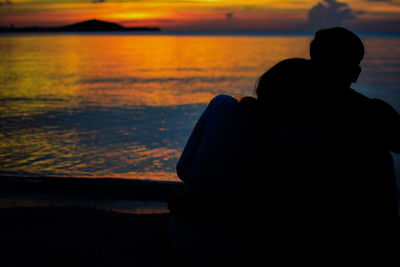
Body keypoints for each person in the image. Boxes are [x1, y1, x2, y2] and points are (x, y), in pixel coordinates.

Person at [168, 58, 313, 265]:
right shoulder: (301, 135)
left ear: (265, 85)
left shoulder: (224, 107)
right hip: (248, 246)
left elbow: (184, 170)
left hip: (187, 238)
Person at [298, 27, 400, 265]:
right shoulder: (374, 112)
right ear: (356, 73)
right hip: (370, 236)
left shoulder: (291, 112)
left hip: (311, 235)